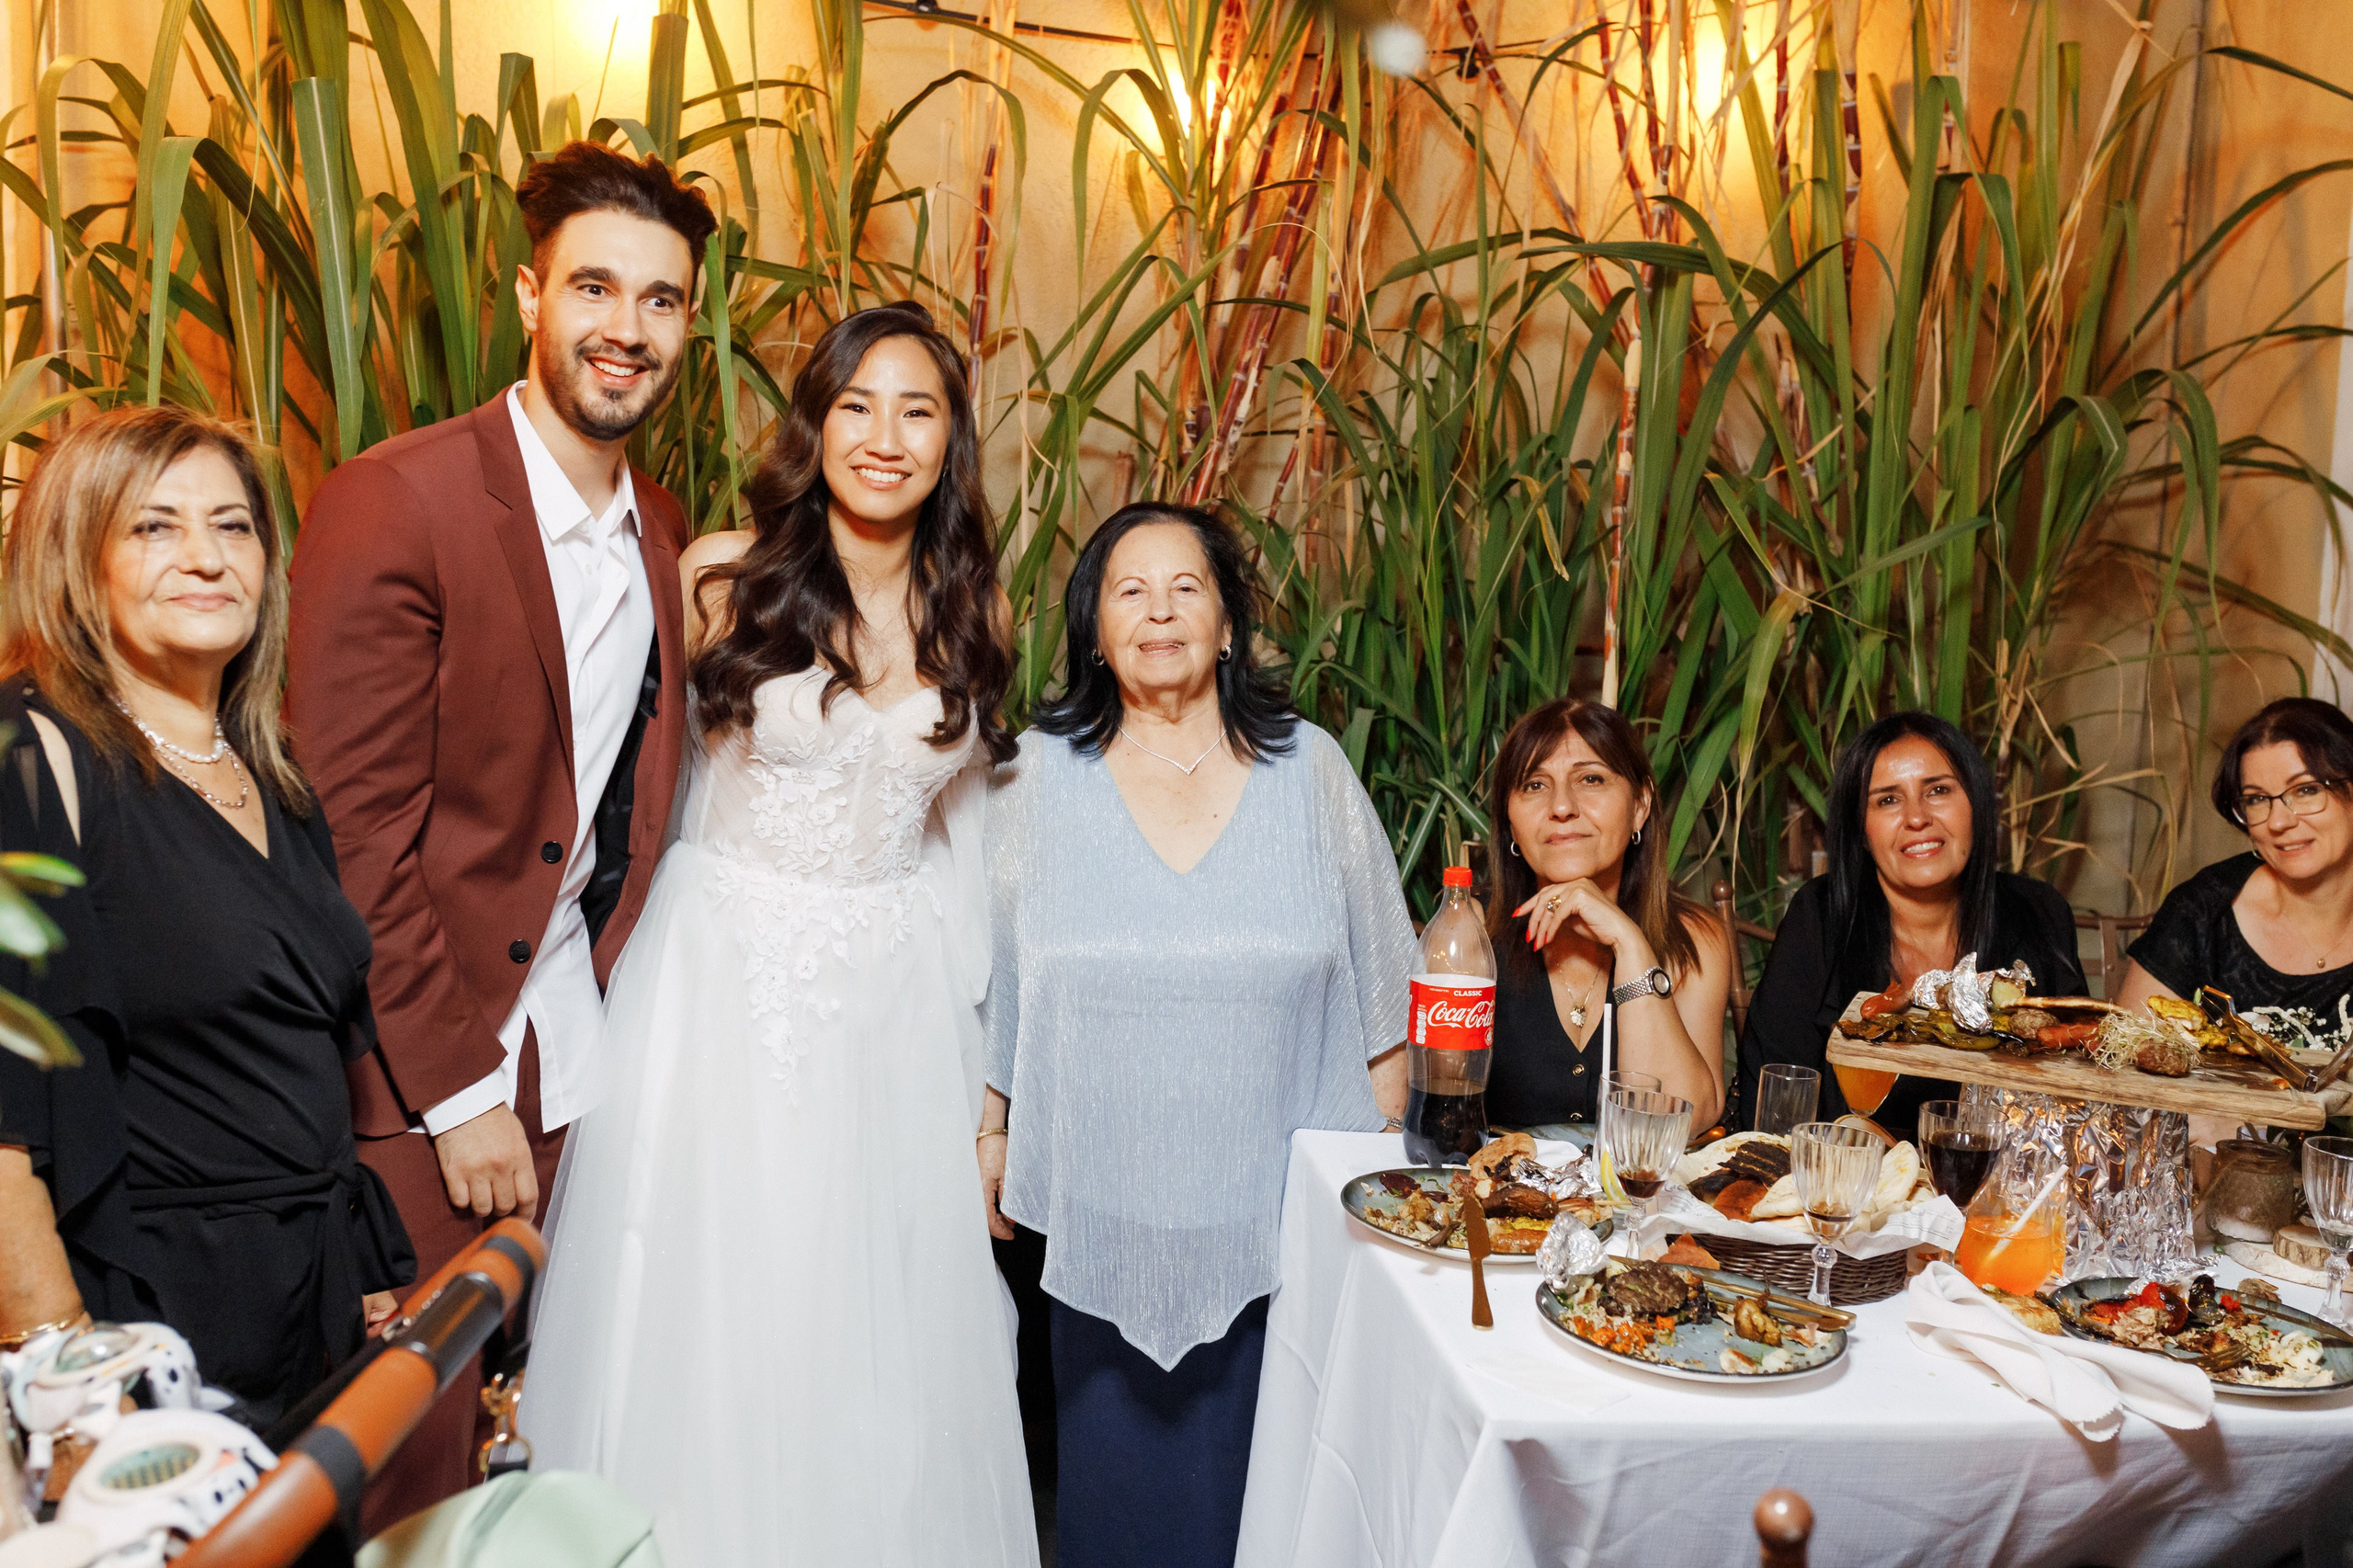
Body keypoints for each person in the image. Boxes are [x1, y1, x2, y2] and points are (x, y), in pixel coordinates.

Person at [523, 302, 1037, 1567]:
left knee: (877, 1339)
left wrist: (989, 1094)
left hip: (897, 1003)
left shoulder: (977, 610)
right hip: (722, 985)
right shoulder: (722, 575)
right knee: (714, 1305)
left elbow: (974, 849)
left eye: (918, 411)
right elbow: (628, 796)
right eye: (857, 404)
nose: (886, 436)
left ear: (949, 443)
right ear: (817, 424)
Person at [287, 142, 707, 1528]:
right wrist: (458, 1089)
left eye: (660, 301)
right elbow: (353, 831)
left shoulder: (663, 528)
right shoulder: (394, 498)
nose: (625, 330)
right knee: (406, 1444)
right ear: (529, 292)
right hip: (423, 1069)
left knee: (533, 1432)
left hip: (579, 1054)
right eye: (595, 286)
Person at [981, 501, 1417, 1568]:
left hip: (1291, 1244)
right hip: (1099, 1228)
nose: (1160, 609)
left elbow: (1387, 994)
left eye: (1187, 586)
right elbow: (990, 982)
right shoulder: (1031, 777)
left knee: (1278, 1524)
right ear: (1092, 629)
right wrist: (990, 1138)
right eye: (1129, 589)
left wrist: (1376, 1167)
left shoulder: (1311, 769)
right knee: (1113, 1522)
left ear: (1229, 625)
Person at [0, 407, 412, 1426]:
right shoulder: (28, 760)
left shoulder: (268, 771)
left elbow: (298, 1047)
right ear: (76, 553)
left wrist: (353, 1263)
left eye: (234, 526)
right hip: (146, 1320)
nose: (205, 557)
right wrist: (73, 1388)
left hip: (300, 1312)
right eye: (153, 527)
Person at [1735, 711, 2086, 1133]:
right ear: (1862, 830)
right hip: (1848, 1192)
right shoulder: (1822, 917)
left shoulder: (2039, 912)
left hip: (2005, 1195)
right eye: (1887, 799)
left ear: (1975, 802)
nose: (1917, 818)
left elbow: (2081, 1099)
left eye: (1938, 790)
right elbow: (1774, 1108)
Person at [1485, 699, 1732, 1132]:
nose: (1562, 807)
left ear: (1640, 805)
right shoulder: (1471, 935)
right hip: (1495, 1195)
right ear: (1510, 822)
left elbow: (1682, 1123)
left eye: (1591, 779)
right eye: (1535, 785)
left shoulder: (1695, 940)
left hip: (1638, 1200)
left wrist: (1629, 943)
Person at [2119, 698, 2353, 1053]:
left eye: (2306, 790)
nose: (2278, 821)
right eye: (2257, 799)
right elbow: (2126, 1068)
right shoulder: (2203, 912)